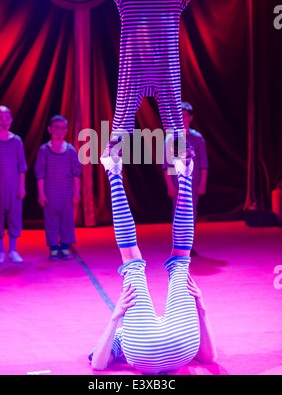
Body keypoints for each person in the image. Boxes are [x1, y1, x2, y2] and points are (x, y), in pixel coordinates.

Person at [89, 152, 217, 374]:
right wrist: (201, 310)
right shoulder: (131, 330)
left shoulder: (122, 337)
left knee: (180, 260)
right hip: (173, 345)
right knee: (135, 260)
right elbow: (209, 358)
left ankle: (184, 177)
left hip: (169, 348)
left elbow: (98, 364)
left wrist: (115, 318)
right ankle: (116, 173)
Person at [98, 0, 218, 159]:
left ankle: (179, 146)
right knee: (124, 107)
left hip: (165, 66)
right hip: (135, 65)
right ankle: (116, 142)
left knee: (173, 111)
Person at [0, 106, 27, 264]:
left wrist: (21, 186)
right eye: (0, 118)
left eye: (7, 117)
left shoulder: (16, 141)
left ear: (11, 120)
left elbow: (21, 166)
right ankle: (0, 251)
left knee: (15, 217)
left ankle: (13, 250)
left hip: (14, 186)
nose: (4, 121)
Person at [34, 115, 82, 261]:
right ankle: (54, 247)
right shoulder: (44, 150)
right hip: (50, 192)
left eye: (62, 128)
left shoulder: (71, 150)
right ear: (50, 129)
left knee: (67, 220)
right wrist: (41, 193)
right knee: (51, 220)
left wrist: (77, 192)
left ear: (66, 130)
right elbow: (40, 173)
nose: (59, 131)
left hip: (66, 193)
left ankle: (65, 246)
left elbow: (76, 173)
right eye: (56, 128)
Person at [163, 101, 208, 241]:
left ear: (191, 117)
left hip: (193, 183)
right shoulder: (171, 138)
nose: (182, 118)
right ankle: (178, 245)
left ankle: (188, 245)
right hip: (177, 183)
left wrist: (202, 183)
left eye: (185, 115)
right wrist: (170, 185)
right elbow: (167, 164)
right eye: (179, 116)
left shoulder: (198, 138)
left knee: (191, 213)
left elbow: (204, 163)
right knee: (178, 214)